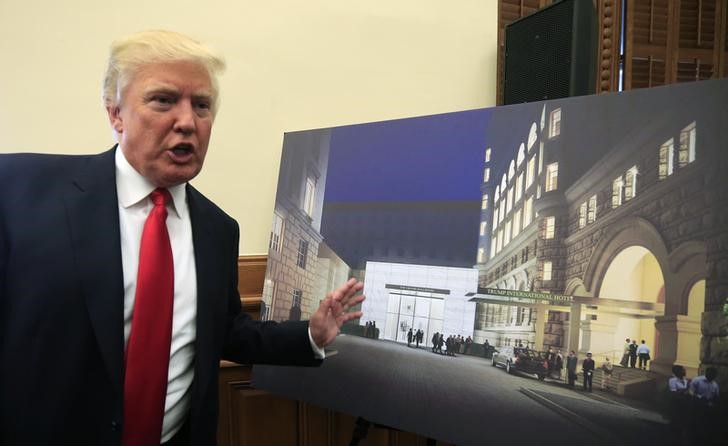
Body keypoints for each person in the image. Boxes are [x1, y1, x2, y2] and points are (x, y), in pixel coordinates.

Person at [0, 30, 365, 446]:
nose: (188, 121)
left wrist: (310, 336)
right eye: (164, 100)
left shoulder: (217, 229)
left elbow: (226, 330)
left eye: (202, 105)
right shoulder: (18, 191)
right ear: (115, 113)